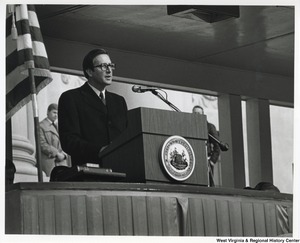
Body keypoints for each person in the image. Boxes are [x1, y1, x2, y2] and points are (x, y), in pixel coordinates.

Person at [58, 48, 128, 167]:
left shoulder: (119, 101)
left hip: (121, 170)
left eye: (111, 65)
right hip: (89, 172)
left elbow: (127, 136)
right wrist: (100, 150)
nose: (109, 70)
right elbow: (69, 141)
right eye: (103, 66)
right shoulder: (71, 98)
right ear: (90, 72)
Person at [192, 105, 221, 187]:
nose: (196, 115)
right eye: (194, 113)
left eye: (199, 113)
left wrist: (212, 161)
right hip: (194, 160)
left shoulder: (209, 127)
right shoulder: (190, 126)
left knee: (208, 184)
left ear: (203, 114)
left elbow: (217, 145)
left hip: (206, 161)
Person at [39, 103, 69, 176]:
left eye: (57, 113)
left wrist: (64, 155)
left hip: (61, 163)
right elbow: (41, 144)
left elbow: (64, 143)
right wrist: (56, 153)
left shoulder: (58, 127)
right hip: (49, 162)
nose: (56, 115)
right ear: (48, 112)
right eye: (54, 112)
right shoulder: (41, 125)